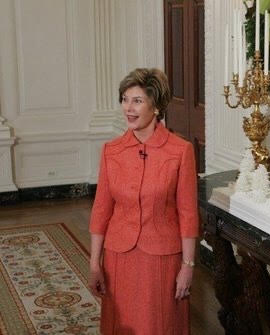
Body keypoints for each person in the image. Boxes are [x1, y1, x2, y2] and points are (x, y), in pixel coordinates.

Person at [88, 68, 198, 334]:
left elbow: (188, 213)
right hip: (119, 257)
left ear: (156, 106)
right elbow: (101, 209)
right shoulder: (110, 151)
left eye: (137, 100)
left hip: (161, 259)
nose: (129, 108)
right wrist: (94, 263)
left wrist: (188, 265)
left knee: (160, 326)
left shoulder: (180, 151)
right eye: (125, 99)